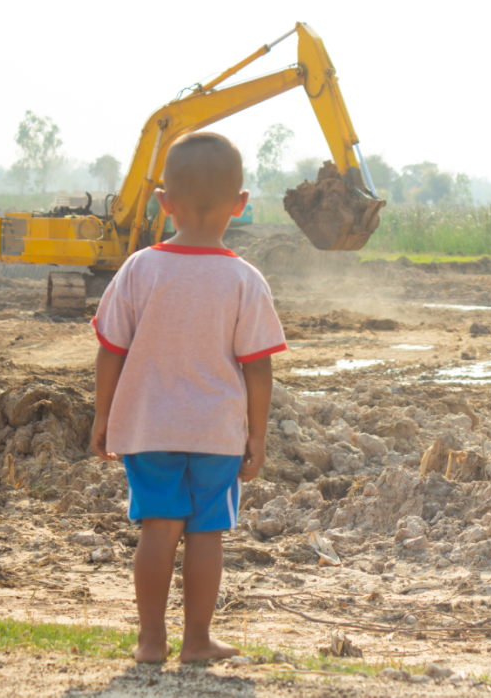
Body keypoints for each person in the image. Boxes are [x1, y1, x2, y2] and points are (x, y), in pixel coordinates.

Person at [90, 132, 287, 663]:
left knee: (158, 530)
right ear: (240, 205)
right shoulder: (245, 280)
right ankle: (196, 642)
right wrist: (257, 434)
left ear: (163, 202)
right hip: (216, 433)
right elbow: (257, 367)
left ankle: (150, 641)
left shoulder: (138, 269)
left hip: (149, 428)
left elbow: (111, 349)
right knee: (206, 534)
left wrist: (103, 415)